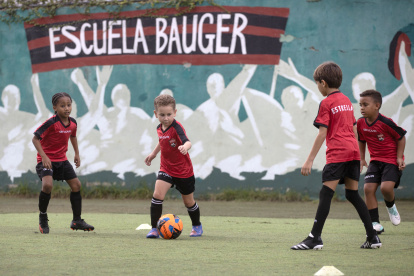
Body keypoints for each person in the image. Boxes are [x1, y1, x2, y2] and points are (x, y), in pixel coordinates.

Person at [290, 62, 381, 250]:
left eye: (317, 83)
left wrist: (309, 159)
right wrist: (359, 154)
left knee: (326, 193)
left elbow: (322, 133)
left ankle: (314, 238)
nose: (318, 87)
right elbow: (355, 128)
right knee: (352, 194)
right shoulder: (346, 100)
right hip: (353, 153)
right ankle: (373, 237)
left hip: (338, 153)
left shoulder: (326, 102)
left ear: (323, 83)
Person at [32, 92, 94, 234]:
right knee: (47, 185)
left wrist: (77, 153)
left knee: (76, 185)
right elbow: (35, 139)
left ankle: (77, 220)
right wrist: (44, 157)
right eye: (62, 106)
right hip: (46, 161)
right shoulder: (51, 123)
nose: (66, 108)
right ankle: (42, 217)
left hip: (62, 160)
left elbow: (73, 136)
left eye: (69, 105)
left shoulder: (72, 123)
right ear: (55, 107)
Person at [144, 94, 202, 238]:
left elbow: (187, 141)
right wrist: (153, 154)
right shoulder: (159, 128)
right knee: (157, 195)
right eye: (162, 115)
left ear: (175, 113)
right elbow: (162, 141)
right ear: (156, 114)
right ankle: (154, 229)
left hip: (183, 171)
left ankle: (197, 226)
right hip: (166, 169)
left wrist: (185, 147)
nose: (166, 118)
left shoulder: (177, 127)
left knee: (188, 202)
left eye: (169, 114)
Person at [357, 89, 406, 234]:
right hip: (375, 161)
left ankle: (391, 207)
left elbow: (401, 137)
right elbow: (361, 139)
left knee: (385, 189)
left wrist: (399, 157)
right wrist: (361, 158)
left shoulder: (386, 122)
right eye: (360, 105)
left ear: (377, 106)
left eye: (365, 104)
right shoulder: (360, 123)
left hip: (391, 160)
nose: (361, 108)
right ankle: (375, 223)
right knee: (367, 189)